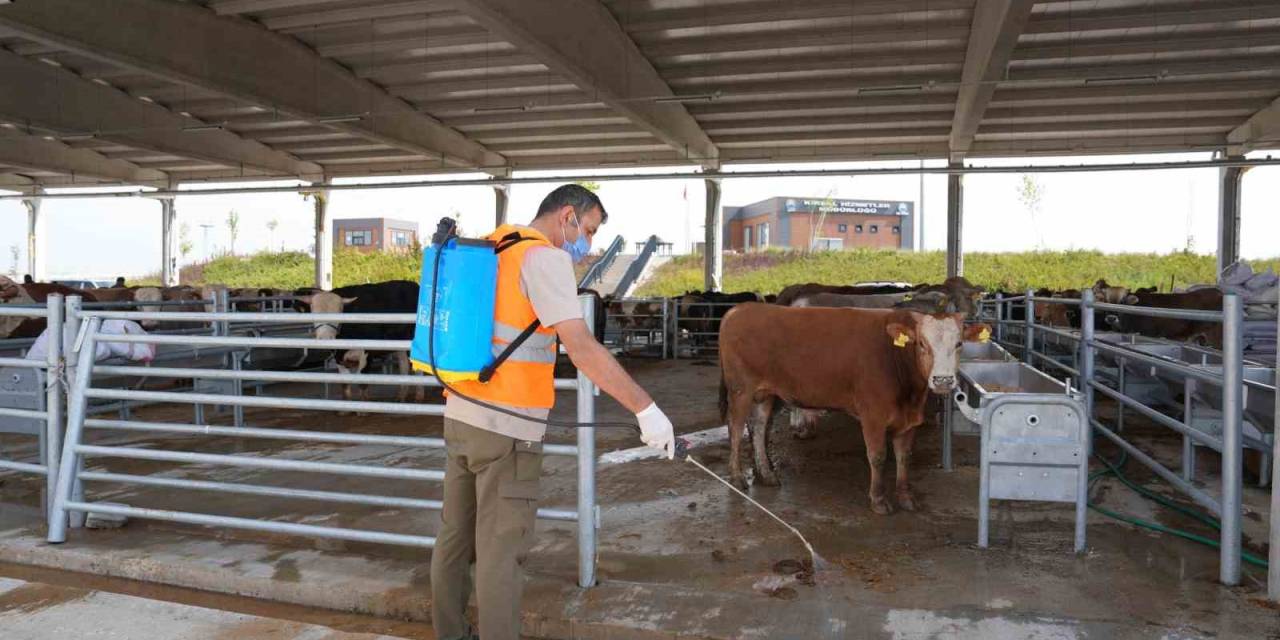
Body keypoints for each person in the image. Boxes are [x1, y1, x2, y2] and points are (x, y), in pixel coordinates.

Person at [430, 184, 675, 640]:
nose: (588, 244)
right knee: (502, 551)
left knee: (454, 539)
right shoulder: (544, 259)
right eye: (588, 230)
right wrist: (646, 409)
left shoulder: (497, 243)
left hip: (461, 413)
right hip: (507, 429)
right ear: (566, 215)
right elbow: (580, 347)